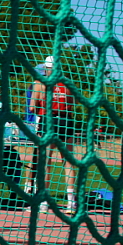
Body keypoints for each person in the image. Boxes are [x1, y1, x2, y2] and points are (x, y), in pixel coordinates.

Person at [30, 56, 79, 212]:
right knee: (68, 162)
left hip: (48, 120)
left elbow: (32, 107)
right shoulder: (67, 83)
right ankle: (71, 201)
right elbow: (74, 103)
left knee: (45, 162)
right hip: (66, 121)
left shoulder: (40, 83)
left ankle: (44, 201)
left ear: (46, 68)